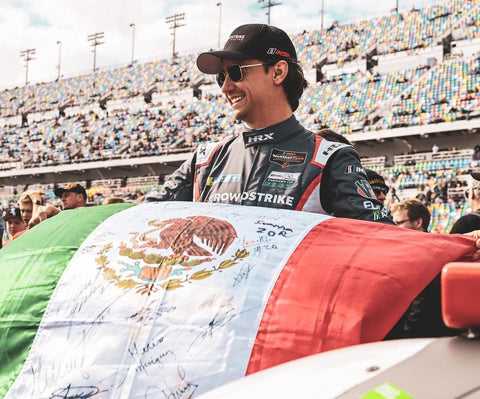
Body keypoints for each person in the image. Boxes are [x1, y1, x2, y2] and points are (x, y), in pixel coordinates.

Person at [146, 23, 393, 224]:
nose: (225, 87)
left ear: (278, 72)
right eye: (221, 77)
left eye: (236, 72)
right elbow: (143, 219)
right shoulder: (204, 160)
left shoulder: (330, 158)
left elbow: (383, 240)